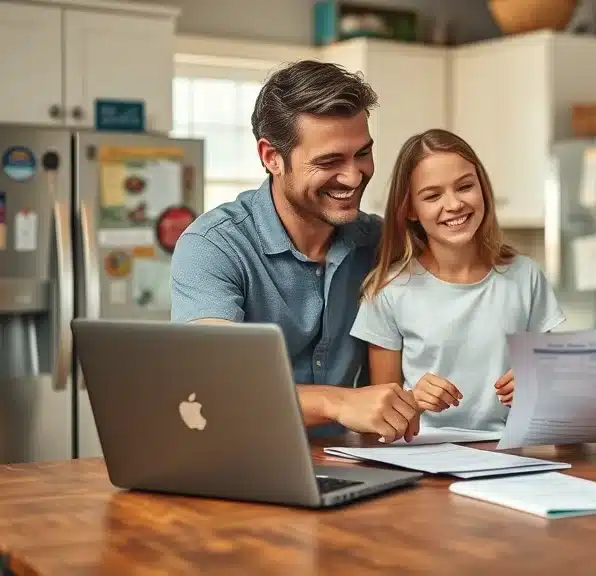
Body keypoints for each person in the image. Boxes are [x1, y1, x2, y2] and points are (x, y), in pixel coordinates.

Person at [169, 60, 421, 443]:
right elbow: (215, 383)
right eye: (329, 161)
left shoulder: (380, 241)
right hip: (239, 459)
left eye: (362, 154)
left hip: (349, 460)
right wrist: (337, 402)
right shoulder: (213, 245)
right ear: (271, 157)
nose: (353, 176)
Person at [349, 128, 565, 432]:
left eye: (465, 186)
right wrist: (413, 400)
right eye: (432, 195)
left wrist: (538, 384)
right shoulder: (387, 292)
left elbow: (554, 391)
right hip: (424, 452)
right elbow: (382, 421)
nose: (453, 205)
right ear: (410, 209)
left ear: (482, 188)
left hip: (510, 450)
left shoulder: (526, 277)